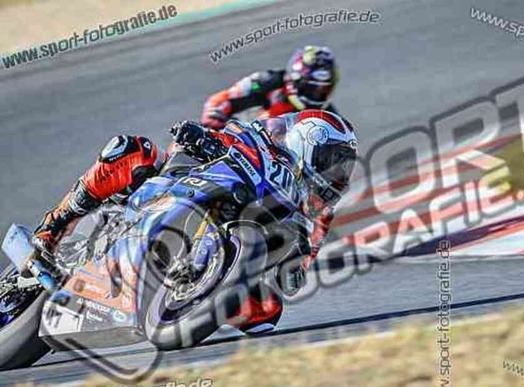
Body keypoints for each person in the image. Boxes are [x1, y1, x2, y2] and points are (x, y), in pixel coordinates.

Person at [32, 110, 357, 333]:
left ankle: (190, 304)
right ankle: (54, 227)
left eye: (344, 167)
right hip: (181, 187)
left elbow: (293, 280)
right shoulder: (259, 139)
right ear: (307, 141)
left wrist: (294, 263)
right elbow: (216, 134)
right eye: (335, 161)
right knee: (134, 150)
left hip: (235, 249)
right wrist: (199, 136)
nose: (339, 174)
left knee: (267, 314)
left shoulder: (314, 213)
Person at [201, 45, 339, 129]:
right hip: (235, 139)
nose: (319, 94)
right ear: (297, 81)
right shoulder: (268, 81)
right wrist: (215, 114)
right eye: (314, 88)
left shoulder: (327, 115)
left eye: (325, 89)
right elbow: (223, 97)